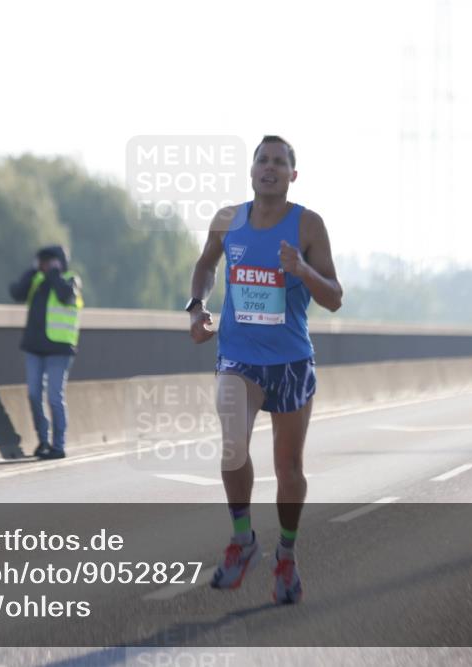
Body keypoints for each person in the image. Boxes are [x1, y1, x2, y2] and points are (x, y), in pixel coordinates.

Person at [186, 136, 342, 604]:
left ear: (293, 175)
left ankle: (287, 557)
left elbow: (334, 297)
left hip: (291, 362)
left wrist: (302, 271)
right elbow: (204, 267)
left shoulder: (308, 225)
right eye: (262, 160)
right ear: (251, 170)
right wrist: (197, 309)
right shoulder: (227, 220)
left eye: (279, 162)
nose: (269, 168)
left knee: (288, 468)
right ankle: (243, 540)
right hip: (238, 356)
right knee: (233, 446)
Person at [9, 245, 83, 460]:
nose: (46, 265)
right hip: (34, 347)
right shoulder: (37, 281)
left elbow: (64, 295)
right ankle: (43, 440)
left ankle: (58, 445)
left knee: (54, 396)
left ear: (60, 261)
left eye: (50, 261)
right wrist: (32, 272)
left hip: (59, 348)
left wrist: (54, 274)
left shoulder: (70, 280)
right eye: (42, 261)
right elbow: (16, 293)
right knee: (33, 394)